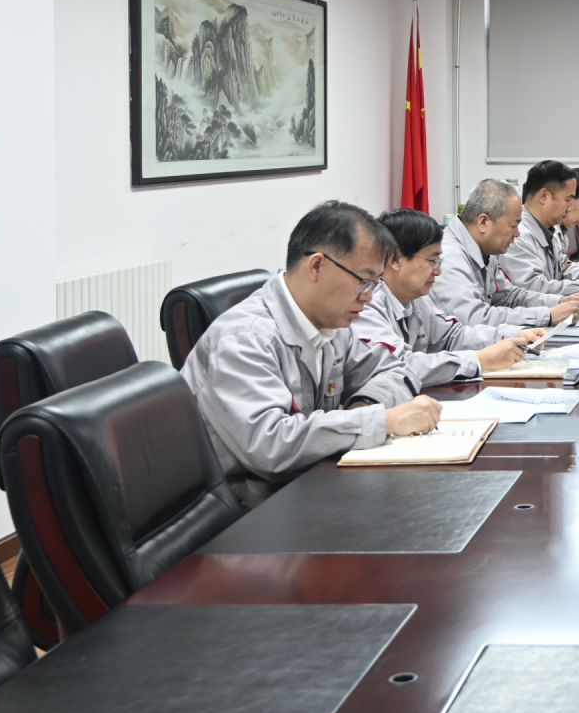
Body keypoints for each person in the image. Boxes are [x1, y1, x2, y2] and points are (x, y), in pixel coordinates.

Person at [182, 201, 443, 509]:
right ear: (317, 266)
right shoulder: (244, 340)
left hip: (310, 485)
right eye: (363, 280)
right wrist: (379, 421)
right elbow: (270, 447)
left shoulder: (331, 322)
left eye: (374, 284)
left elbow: (398, 370)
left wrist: (364, 405)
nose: (369, 296)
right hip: (253, 509)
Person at [356, 208, 545, 385]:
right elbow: (400, 366)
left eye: (439, 261)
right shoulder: (366, 305)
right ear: (395, 260)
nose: (438, 271)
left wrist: (514, 334)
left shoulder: (416, 300)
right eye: (432, 261)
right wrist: (480, 360)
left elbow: (453, 336)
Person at [436, 179, 579, 327]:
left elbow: (508, 296)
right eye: (513, 225)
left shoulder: (485, 248)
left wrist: (557, 302)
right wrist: (546, 316)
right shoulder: (450, 259)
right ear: (483, 222)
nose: (517, 233)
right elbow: (475, 319)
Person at [502, 159, 579, 296]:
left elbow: (563, 269)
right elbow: (535, 289)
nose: (569, 208)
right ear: (544, 197)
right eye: (567, 200)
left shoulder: (552, 231)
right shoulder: (518, 237)